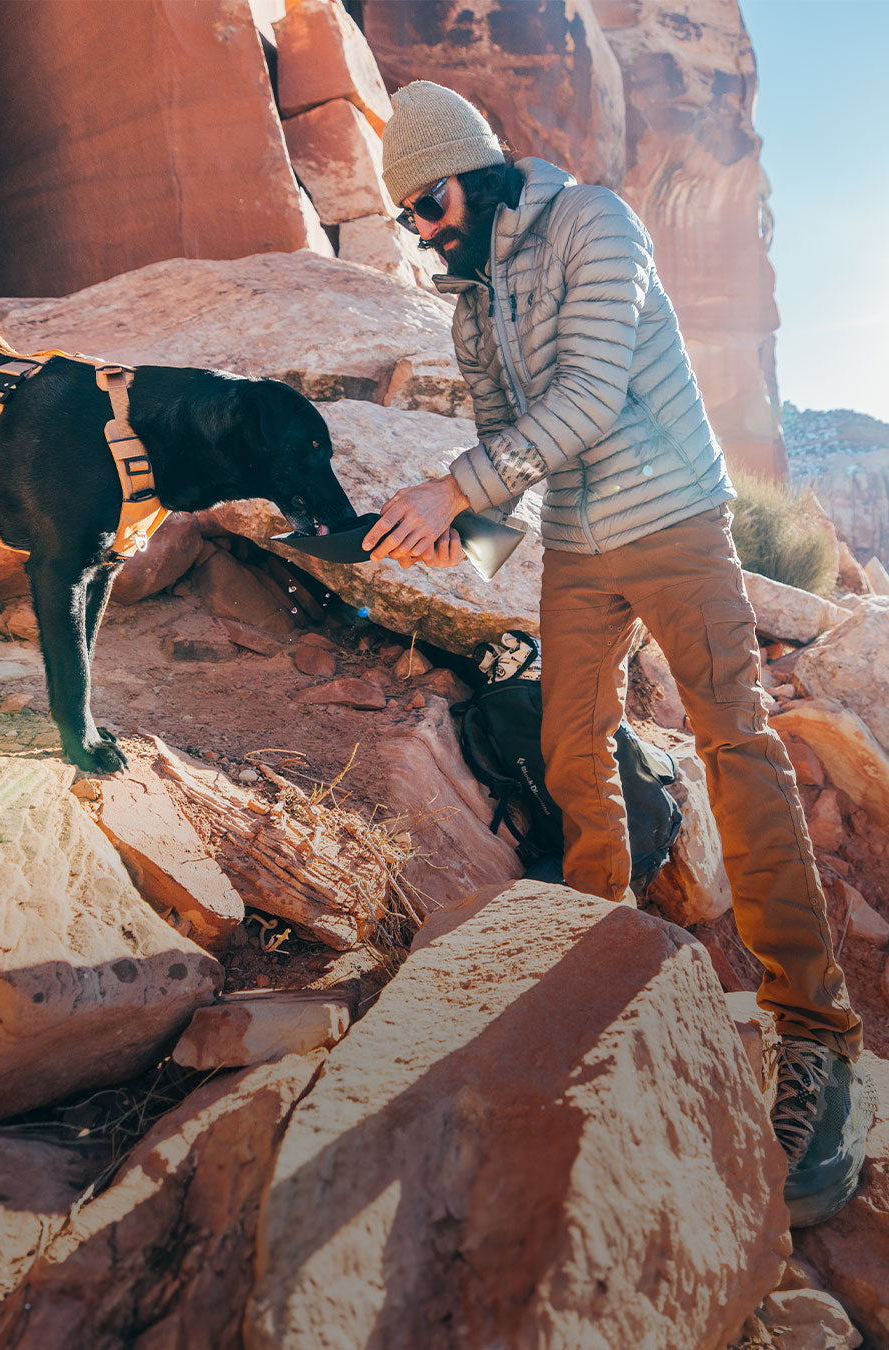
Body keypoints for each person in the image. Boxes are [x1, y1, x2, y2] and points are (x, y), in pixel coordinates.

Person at [363, 79, 877, 1227]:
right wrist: (467, 536)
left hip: (681, 523)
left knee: (736, 750)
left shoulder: (596, 222)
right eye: (407, 218)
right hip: (579, 552)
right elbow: (508, 447)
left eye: (430, 202)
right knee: (566, 745)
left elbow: (591, 392)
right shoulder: (469, 299)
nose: (423, 230)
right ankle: (600, 950)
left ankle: (817, 1036)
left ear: (476, 171)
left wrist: (453, 487)